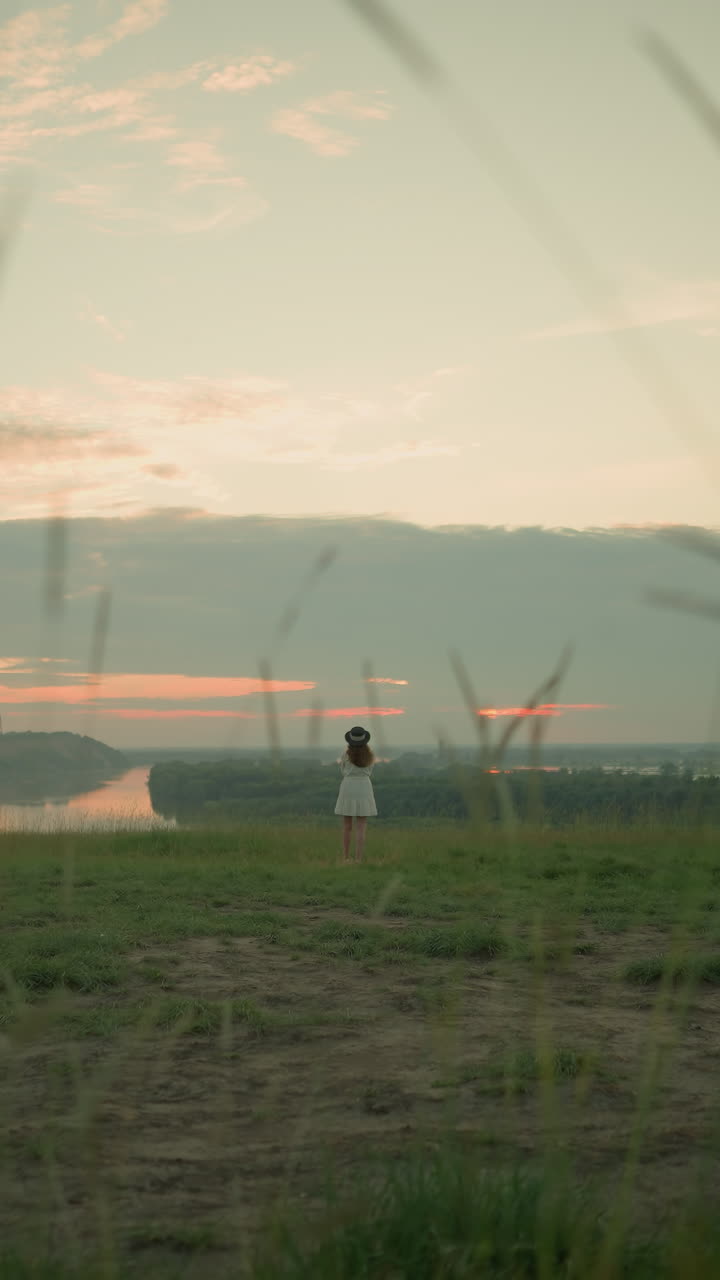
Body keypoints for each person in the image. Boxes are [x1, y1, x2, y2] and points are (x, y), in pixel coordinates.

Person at [335, 725, 377, 862]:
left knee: (347, 826)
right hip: (364, 787)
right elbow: (370, 771)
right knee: (361, 827)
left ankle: (346, 858)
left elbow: (343, 771)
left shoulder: (345, 755)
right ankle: (358, 859)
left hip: (348, 786)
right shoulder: (370, 756)